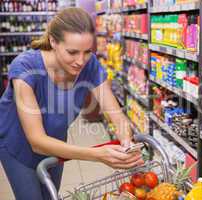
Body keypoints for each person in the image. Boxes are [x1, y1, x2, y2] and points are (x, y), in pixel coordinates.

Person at [0, 7, 143, 200]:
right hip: (18, 146)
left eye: (87, 52)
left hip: (57, 142)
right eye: (72, 52)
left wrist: (127, 142)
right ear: (53, 41)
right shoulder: (25, 68)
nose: (80, 61)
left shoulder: (89, 64)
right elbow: (37, 141)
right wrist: (98, 154)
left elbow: (116, 115)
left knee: (51, 195)